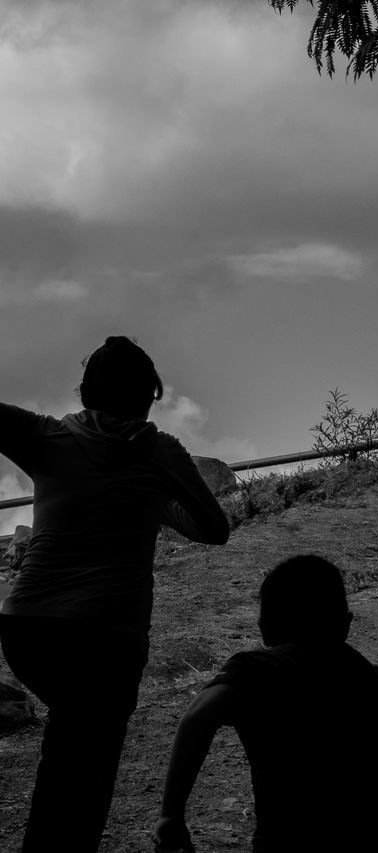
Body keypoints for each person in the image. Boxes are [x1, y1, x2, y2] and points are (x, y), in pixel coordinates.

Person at [0, 335, 230, 853]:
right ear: (149, 397)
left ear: (85, 391)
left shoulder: (45, 436)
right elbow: (214, 528)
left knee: (67, 750)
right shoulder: (162, 451)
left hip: (28, 631)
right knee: (85, 776)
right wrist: (153, 501)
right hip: (107, 638)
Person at [152, 554, 378, 853]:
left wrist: (171, 814)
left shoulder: (257, 670)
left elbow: (198, 716)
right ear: (346, 624)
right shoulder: (371, 679)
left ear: (264, 627)